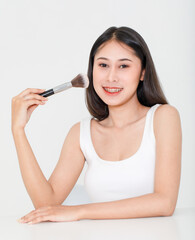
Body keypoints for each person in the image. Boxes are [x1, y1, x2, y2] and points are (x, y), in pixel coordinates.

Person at [11, 26, 182, 224]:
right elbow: (45, 206)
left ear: (143, 72)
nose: (111, 77)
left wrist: (79, 211)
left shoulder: (163, 117)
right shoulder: (81, 133)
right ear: (91, 70)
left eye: (124, 66)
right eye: (103, 65)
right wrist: (18, 130)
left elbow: (164, 203)